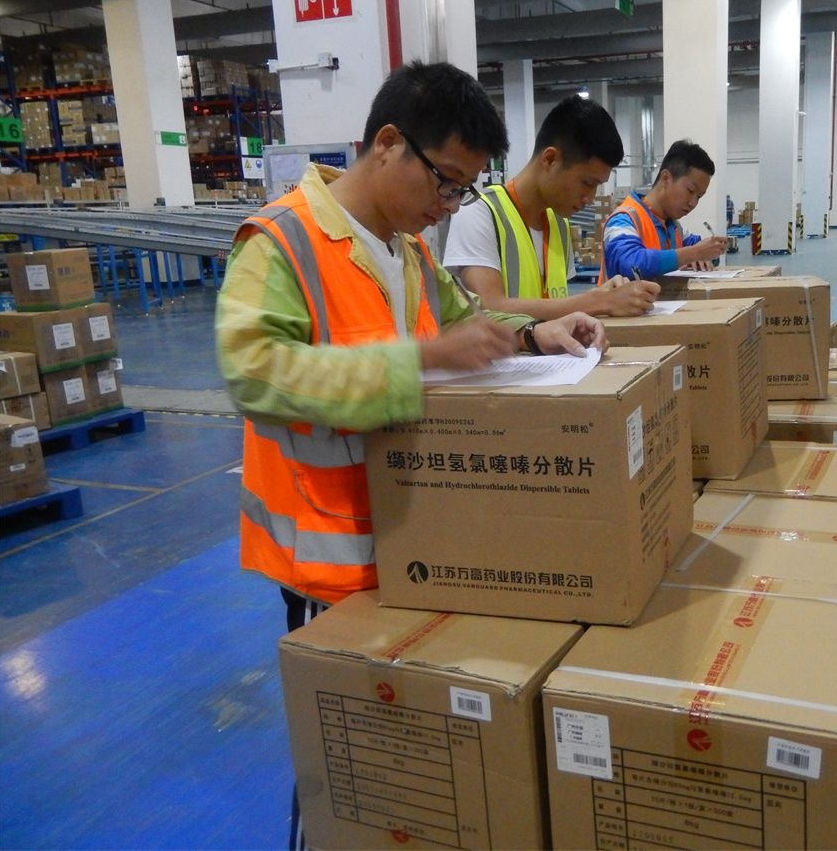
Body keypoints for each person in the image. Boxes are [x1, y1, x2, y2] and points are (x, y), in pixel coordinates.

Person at [214, 60, 607, 848]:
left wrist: (536, 334)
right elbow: (255, 372)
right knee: (347, 762)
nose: (447, 206)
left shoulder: (409, 251)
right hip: (331, 560)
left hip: (417, 540)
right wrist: (419, 360)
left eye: (462, 190)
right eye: (445, 181)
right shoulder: (282, 241)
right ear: (389, 143)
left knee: (415, 759)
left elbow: (467, 320)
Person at [443, 94, 658, 317]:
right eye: (587, 183)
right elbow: (489, 307)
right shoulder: (479, 212)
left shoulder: (559, 225)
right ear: (550, 159)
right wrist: (598, 301)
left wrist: (602, 295)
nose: (590, 198)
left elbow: (556, 305)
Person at [602, 139, 729, 279]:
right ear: (665, 178)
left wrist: (709, 253)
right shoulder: (623, 220)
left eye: (699, 196)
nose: (693, 203)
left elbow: (699, 246)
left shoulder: (674, 227)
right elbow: (630, 264)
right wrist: (694, 253)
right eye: (690, 190)